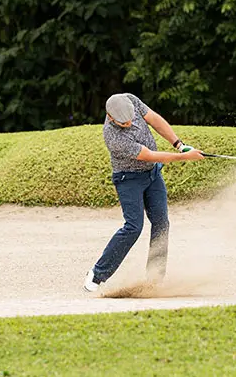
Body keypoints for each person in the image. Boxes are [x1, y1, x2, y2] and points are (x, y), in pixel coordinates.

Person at [83, 93, 204, 292]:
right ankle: (98, 273)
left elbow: (155, 119)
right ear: (111, 118)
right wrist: (185, 158)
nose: (129, 124)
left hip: (152, 175)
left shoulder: (131, 100)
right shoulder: (113, 136)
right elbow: (149, 155)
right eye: (124, 123)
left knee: (161, 222)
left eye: (131, 119)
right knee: (133, 227)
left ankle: (154, 279)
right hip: (128, 179)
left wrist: (179, 145)